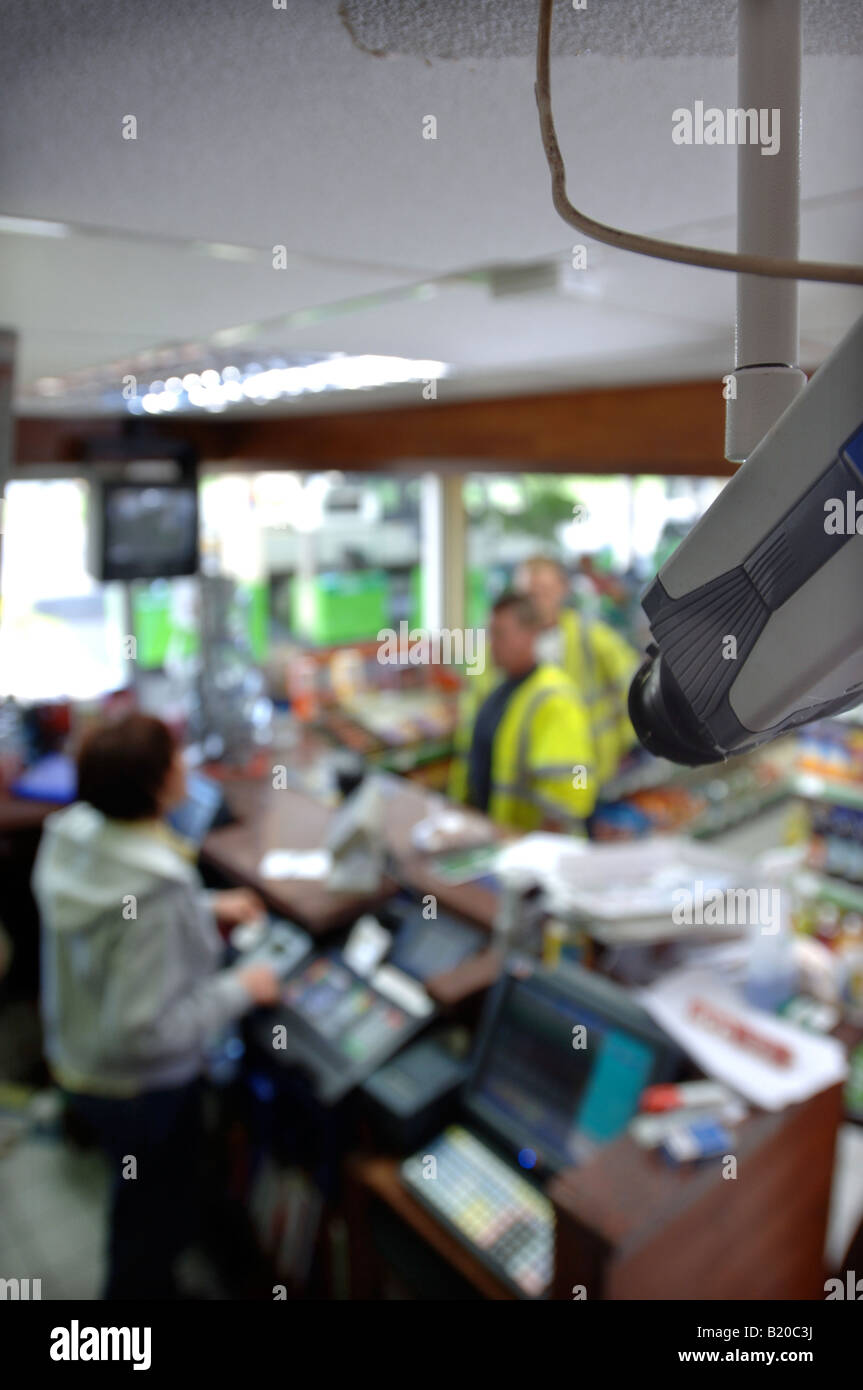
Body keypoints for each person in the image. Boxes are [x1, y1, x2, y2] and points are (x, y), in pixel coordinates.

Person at [32, 713, 281, 1300]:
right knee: (146, 1225)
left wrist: (204, 908)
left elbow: (119, 925)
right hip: (137, 1087)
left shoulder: (75, 833)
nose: (186, 768)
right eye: (176, 759)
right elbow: (145, 1029)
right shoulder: (154, 889)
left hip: (77, 1056)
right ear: (154, 784)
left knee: (161, 1194)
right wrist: (242, 988)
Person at [448, 592, 598, 832]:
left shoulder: (554, 697)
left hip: (532, 854)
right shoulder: (497, 690)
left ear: (530, 634)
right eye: (490, 633)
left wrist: (538, 846)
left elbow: (577, 777)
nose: (491, 644)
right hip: (493, 839)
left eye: (500, 634)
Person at [514, 554, 639, 787]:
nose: (536, 601)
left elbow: (634, 684)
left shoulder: (591, 636)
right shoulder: (511, 645)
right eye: (529, 594)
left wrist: (625, 742)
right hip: (533, 769)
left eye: (544, 591)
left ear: (562, 590)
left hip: (590, 771)